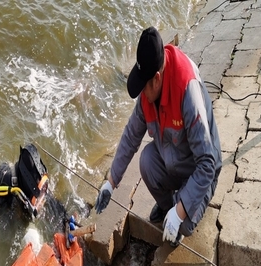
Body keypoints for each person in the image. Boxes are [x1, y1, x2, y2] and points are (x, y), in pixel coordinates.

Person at [95, 26, 222, 246]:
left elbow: (208, 164)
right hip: (175, 160)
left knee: (182, 225)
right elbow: (130, 136)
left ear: (156, 78)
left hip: (201, 172)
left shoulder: (186, 89)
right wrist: (111, 182)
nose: (142, 94)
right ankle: (168, 207)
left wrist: (180, 213)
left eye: (144, 88)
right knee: (146, 160)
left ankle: (177, 211)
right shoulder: (149, 93)